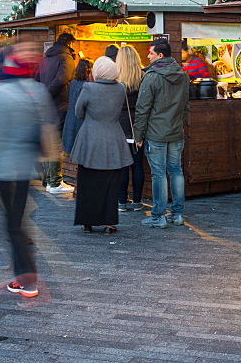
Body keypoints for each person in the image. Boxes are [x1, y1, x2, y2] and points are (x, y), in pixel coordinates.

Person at [0, 45, 59, 297]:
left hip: (7, 169)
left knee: (13, 226)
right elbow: (48, 125)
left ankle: (27, 280)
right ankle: (25, 275)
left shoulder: (0, 93)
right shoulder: (36, 90)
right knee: (15, 222)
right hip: (26, 166)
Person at [70, 57, 131, 233]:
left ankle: (87, 222)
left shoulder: (89, 88)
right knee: (111, 184)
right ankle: (108, 222)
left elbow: (78, 112)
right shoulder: (121, 88)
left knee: (88, 182)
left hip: (90, 138)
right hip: (114, 138)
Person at [134, 40, 190, 228]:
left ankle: (158, 215)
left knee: (159, 174)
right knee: (176, 171)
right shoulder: (183, 75)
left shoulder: (151, 76)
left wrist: (138, 135)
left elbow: (142, 109)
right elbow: (185, 107)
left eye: (150, 53)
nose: (147, 56)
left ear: (159, 55)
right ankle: (178, 214)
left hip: (156, 133)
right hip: (176, 132)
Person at [36, 32, 77, 193]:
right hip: (59, 106)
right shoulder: (66, 58)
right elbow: (62, 79)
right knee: (55, 144)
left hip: (45, 108)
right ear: (70, 44)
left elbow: (36, 78)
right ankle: (55, 182)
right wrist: (47, 95)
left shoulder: (46, 58)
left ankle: (47, 180)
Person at [115, 45, 145, 211]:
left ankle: (121, 201)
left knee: (122, 165)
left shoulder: (115, 79)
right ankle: (137, 201)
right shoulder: (143, 77)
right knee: (137, 164)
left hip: (119, 126)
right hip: (138, 126)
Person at [61, 59, 93, 159]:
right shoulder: (87, 86)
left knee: (70, 150)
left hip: (70, 118)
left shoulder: (73, 82)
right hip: (81, 120)